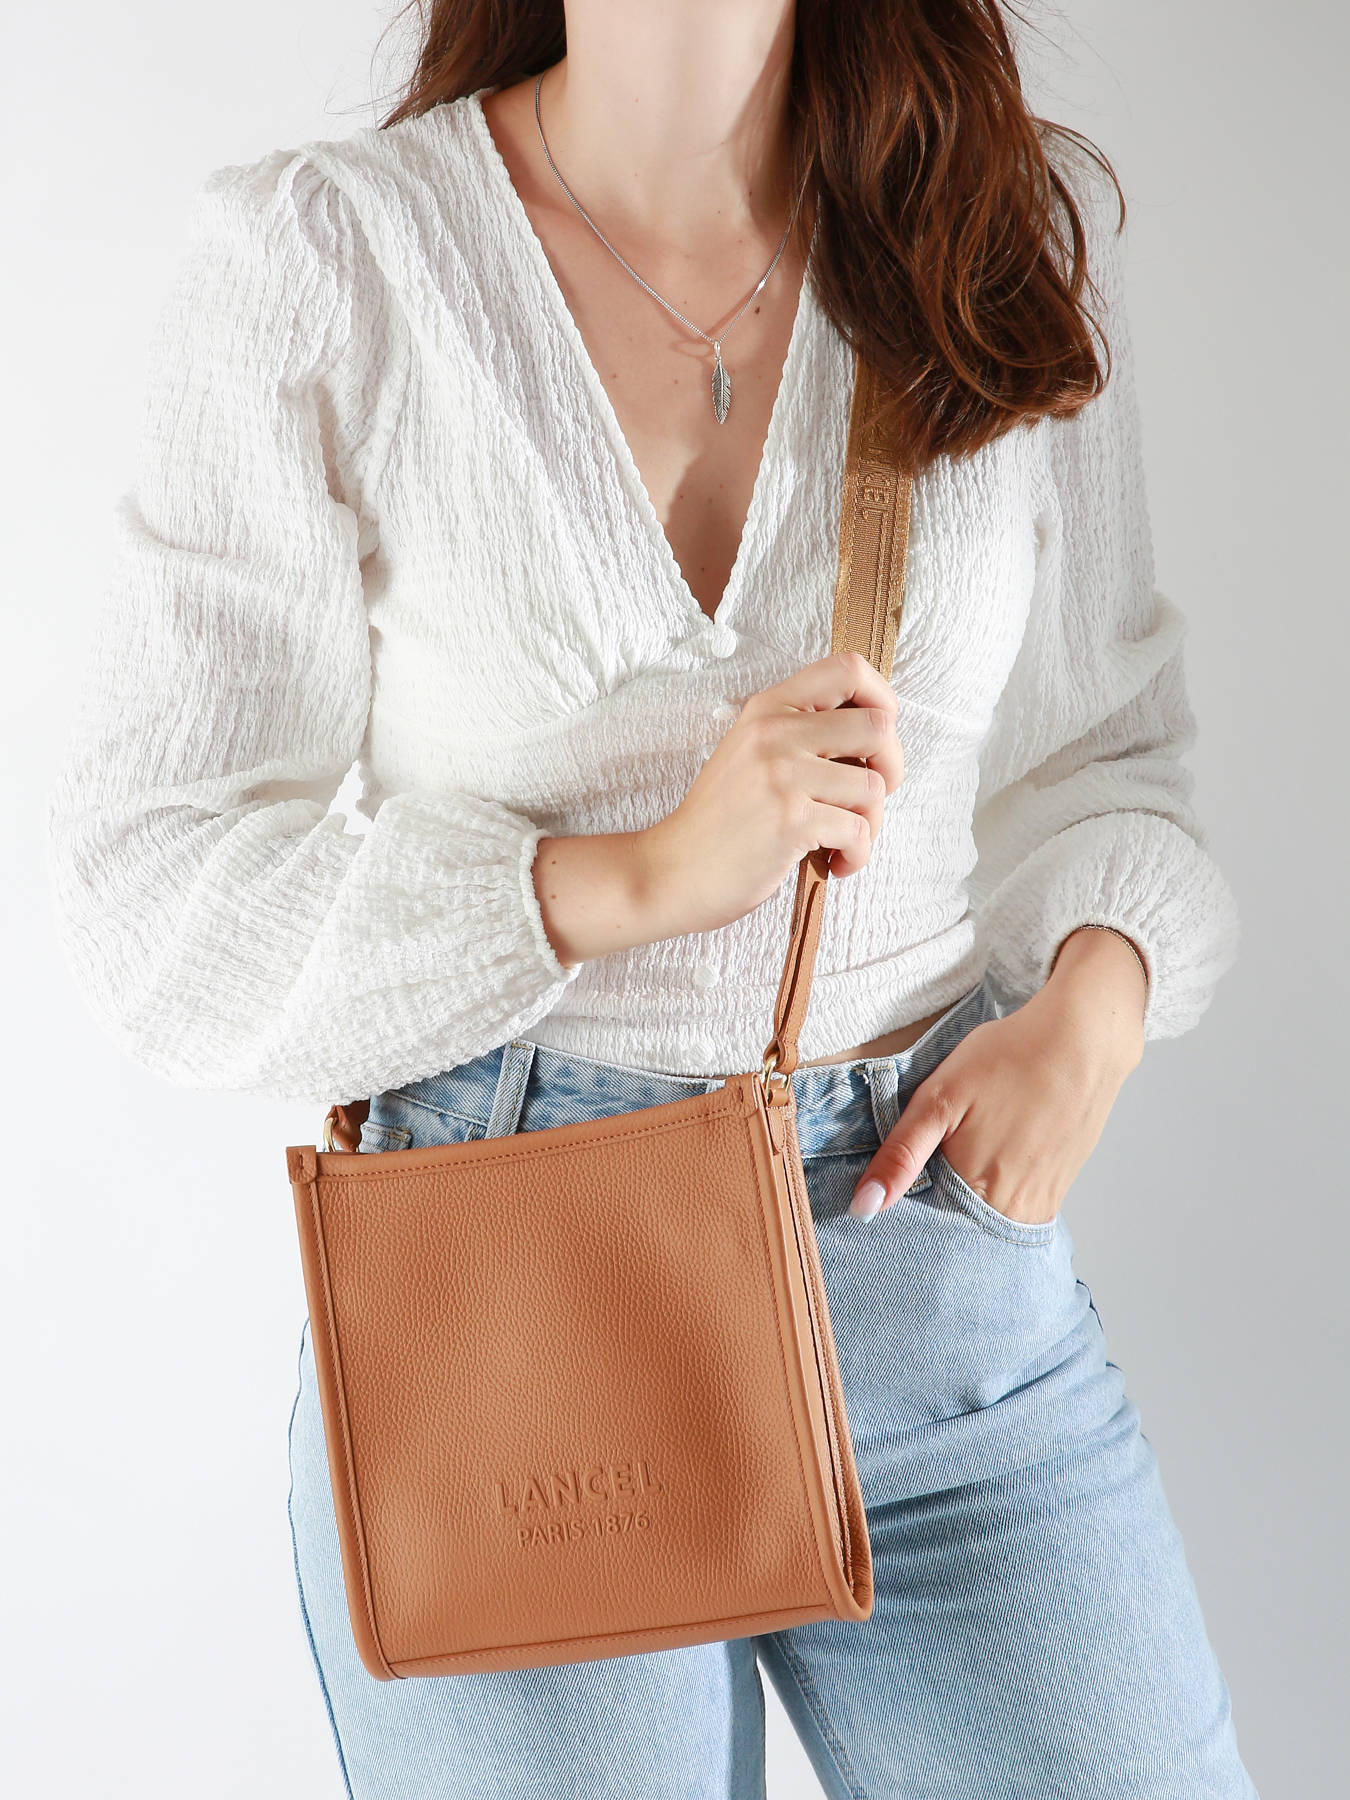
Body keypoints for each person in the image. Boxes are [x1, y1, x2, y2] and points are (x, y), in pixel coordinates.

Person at [46, 3, 1259, 1795]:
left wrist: (1093, 1005)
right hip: (518, 1300)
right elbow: (156, 890)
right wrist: (629, 880)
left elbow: (1107, 753)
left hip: (937, 1261)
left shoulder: (1001, 218)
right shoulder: (330, 260)